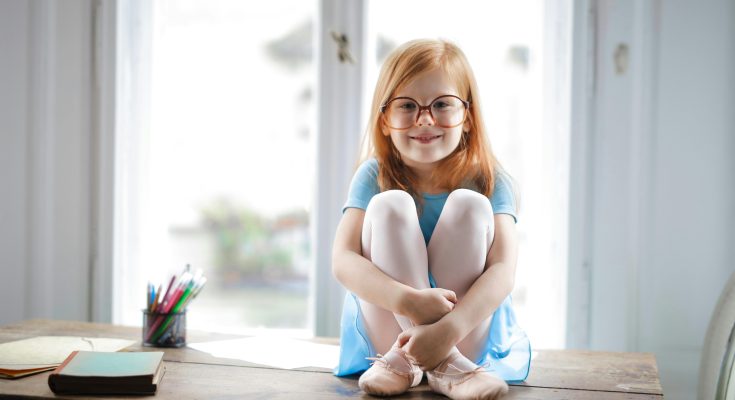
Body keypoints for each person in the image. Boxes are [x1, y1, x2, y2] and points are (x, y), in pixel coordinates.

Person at [331, 39, 531, 399]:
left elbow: (503, 271)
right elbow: (343, 260)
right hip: (387, 339)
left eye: (442, 104)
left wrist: (449, 329)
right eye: (407, 106)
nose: (424, 119)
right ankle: (438, 367)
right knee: (390, 205)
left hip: (462, 331)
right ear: (386, 120)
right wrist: (407, 300)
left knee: (470, 205)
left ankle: (446, 358)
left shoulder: (491, 180)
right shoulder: (373, 175)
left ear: (467, 117)